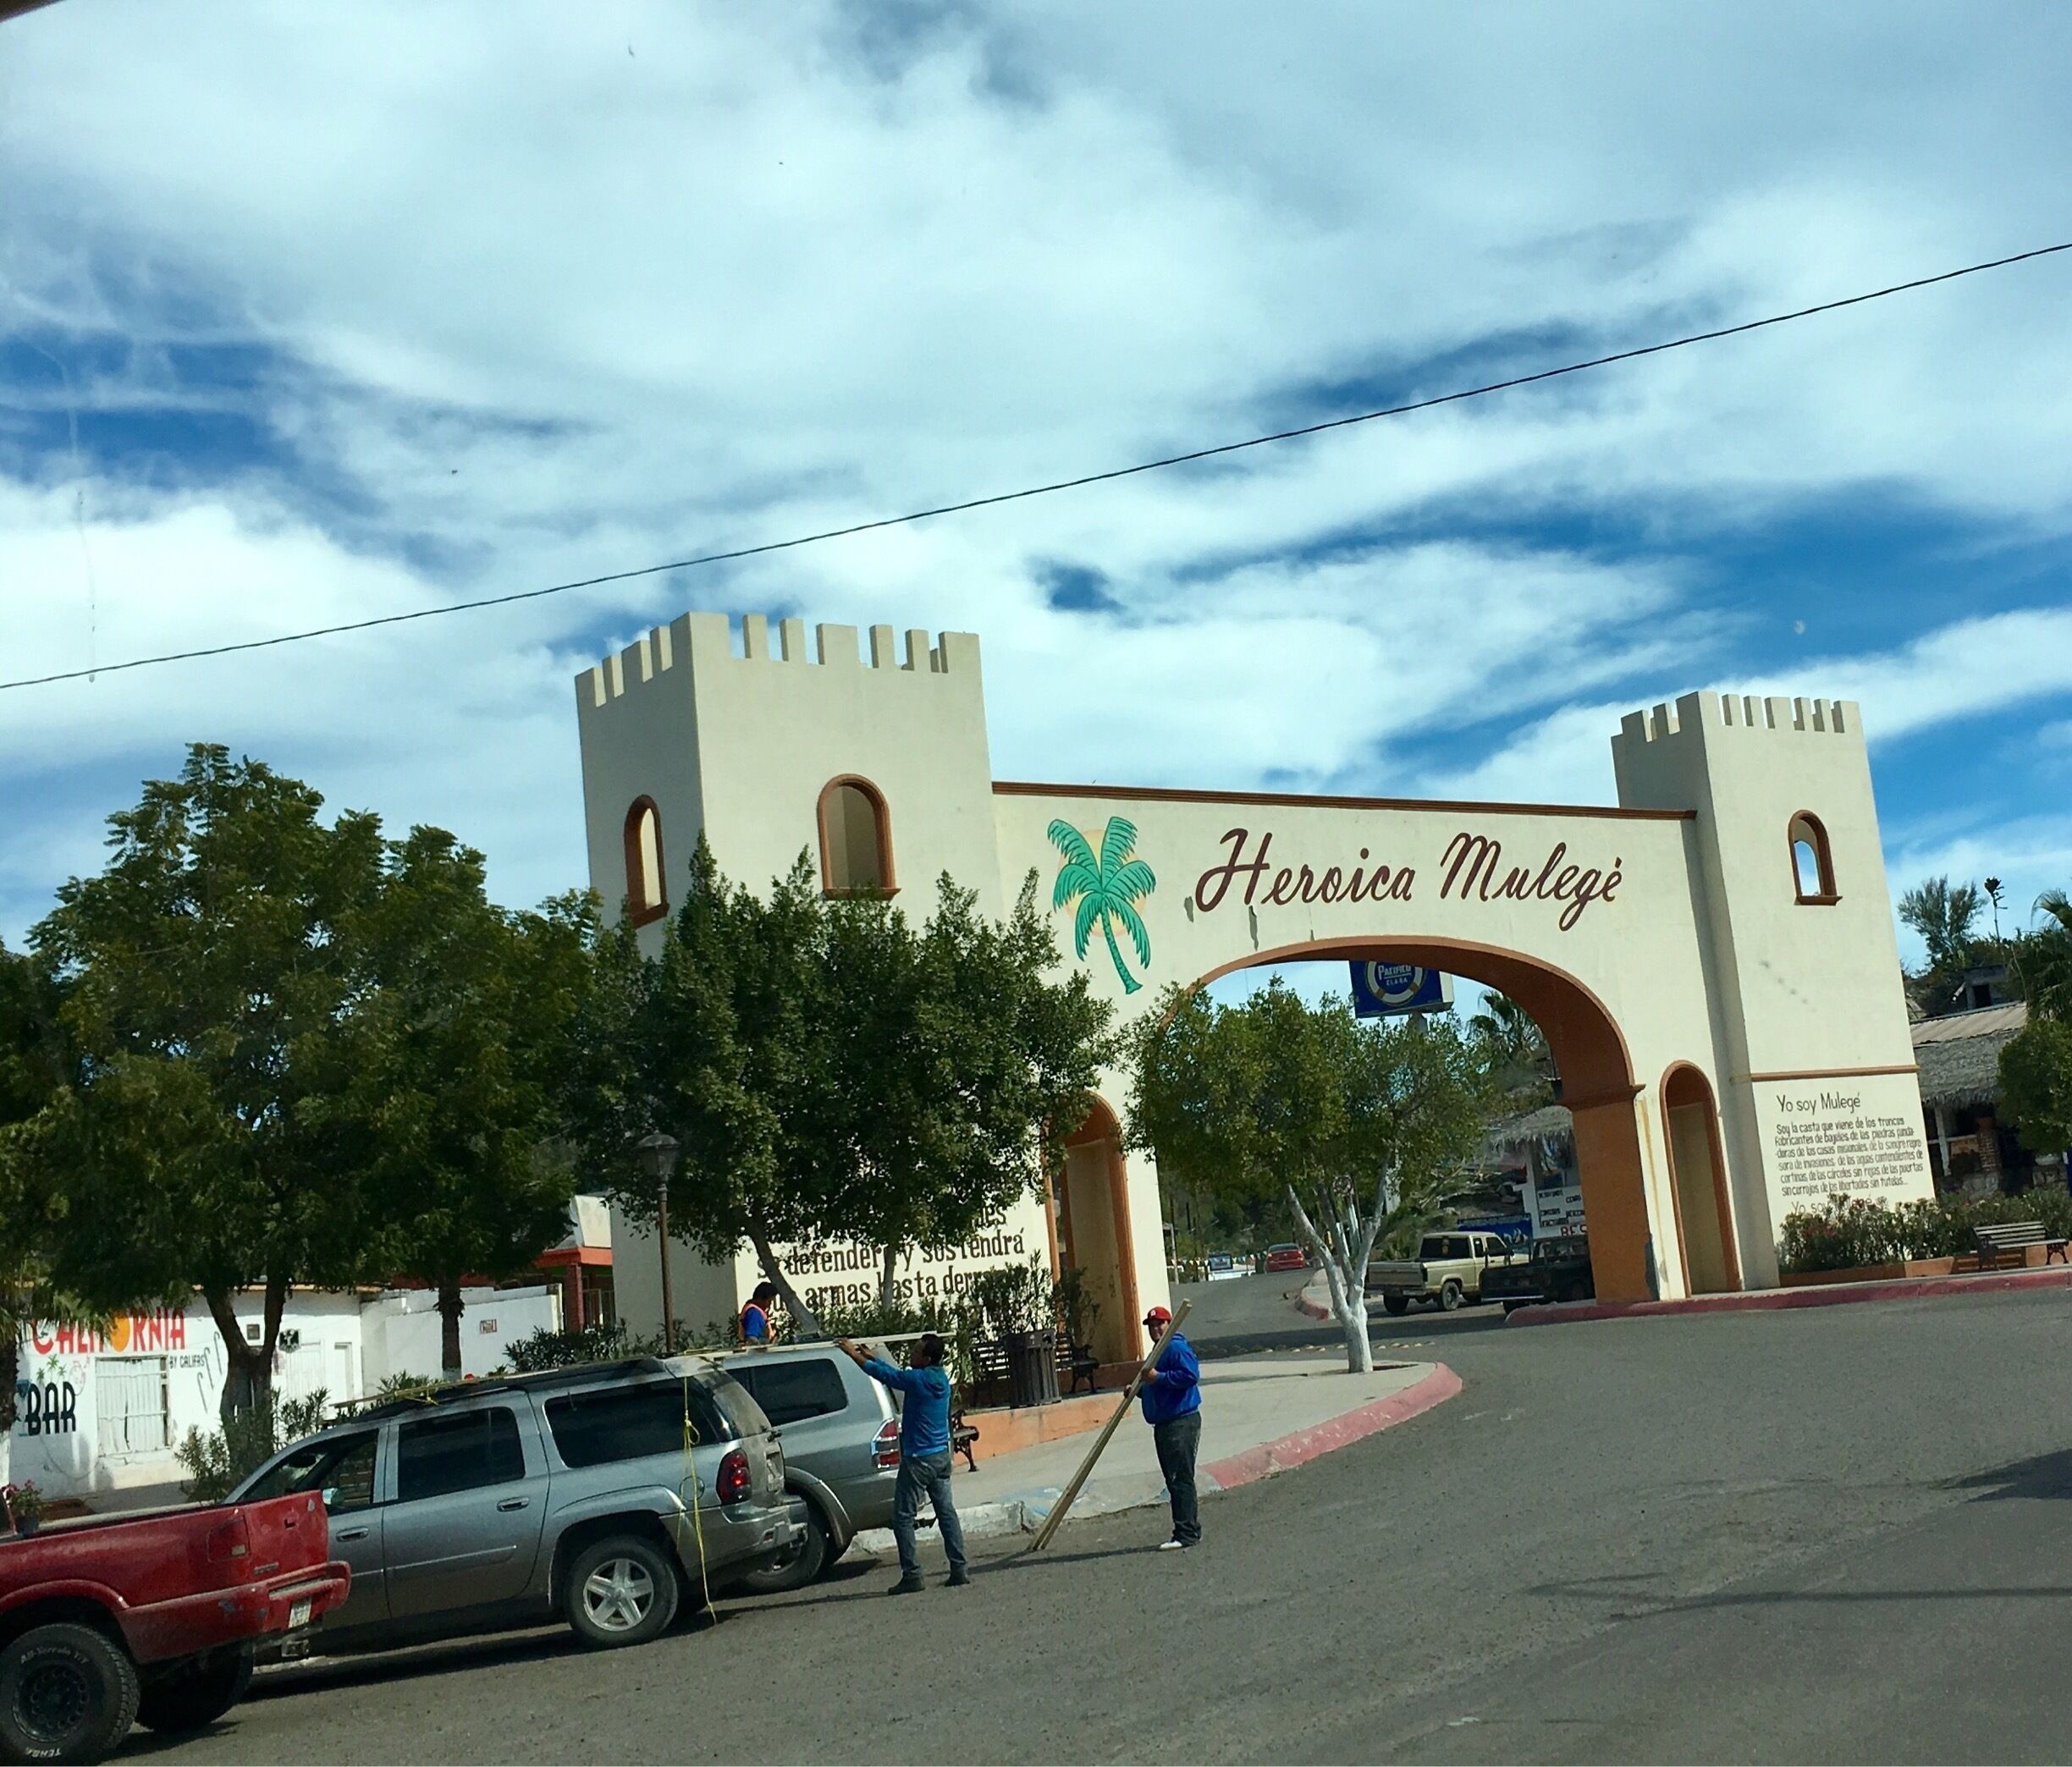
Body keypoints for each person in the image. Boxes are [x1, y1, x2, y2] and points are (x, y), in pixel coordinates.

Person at [836, 1331, 969, 1593]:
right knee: (946, 1513)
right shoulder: (940, 1378)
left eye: (917, 1351)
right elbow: (895, 1373)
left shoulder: (918, 1380)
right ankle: (959, 1568)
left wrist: (853, 1354)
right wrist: (872, 1356)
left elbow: (889, 1376)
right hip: (940, 1456)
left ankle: (912, 1574)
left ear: (927, 1358)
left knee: (903, 1517)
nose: (912, 1354)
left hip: (919, 1458)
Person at [1138, 1305, 1202, 1550]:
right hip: (1165, 1422)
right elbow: (1157, 1385)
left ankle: (1186, 1533)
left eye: (1160, 1324)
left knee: (1180, 1478)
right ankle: (1187, 1529)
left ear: (1169, 1324)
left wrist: (1159, 1378)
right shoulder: (1158, 1350)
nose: (1155, 1329)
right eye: (1152, 1326)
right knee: (1175, 1478)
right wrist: (1140, 1390)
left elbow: (1190, 1375)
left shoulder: (1174, 1347)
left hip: (1180, 1422)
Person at [739, 1281, 778, 1346]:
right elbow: (752, 1339)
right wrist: (766, 1343)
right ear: (761, 1299)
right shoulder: (754, 1314)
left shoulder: (757, 1313)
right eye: (769, 1301)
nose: (770, 1304)